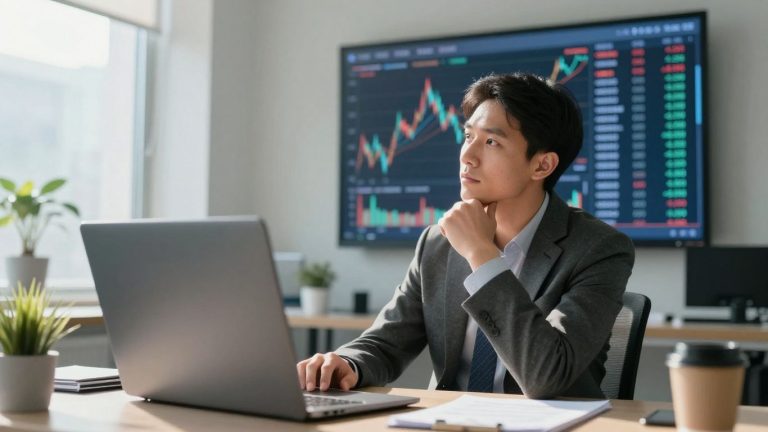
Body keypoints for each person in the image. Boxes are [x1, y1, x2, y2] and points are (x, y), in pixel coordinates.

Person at [297, 72, 635, 399]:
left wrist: (481, 255)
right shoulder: (438, 242)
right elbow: (387, 342)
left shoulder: (598, 249)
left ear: (542, 166)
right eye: (468, 136)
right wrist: (347, 363)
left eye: (491, 142)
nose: (467, 157)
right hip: (449, 422)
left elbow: (547, 375)